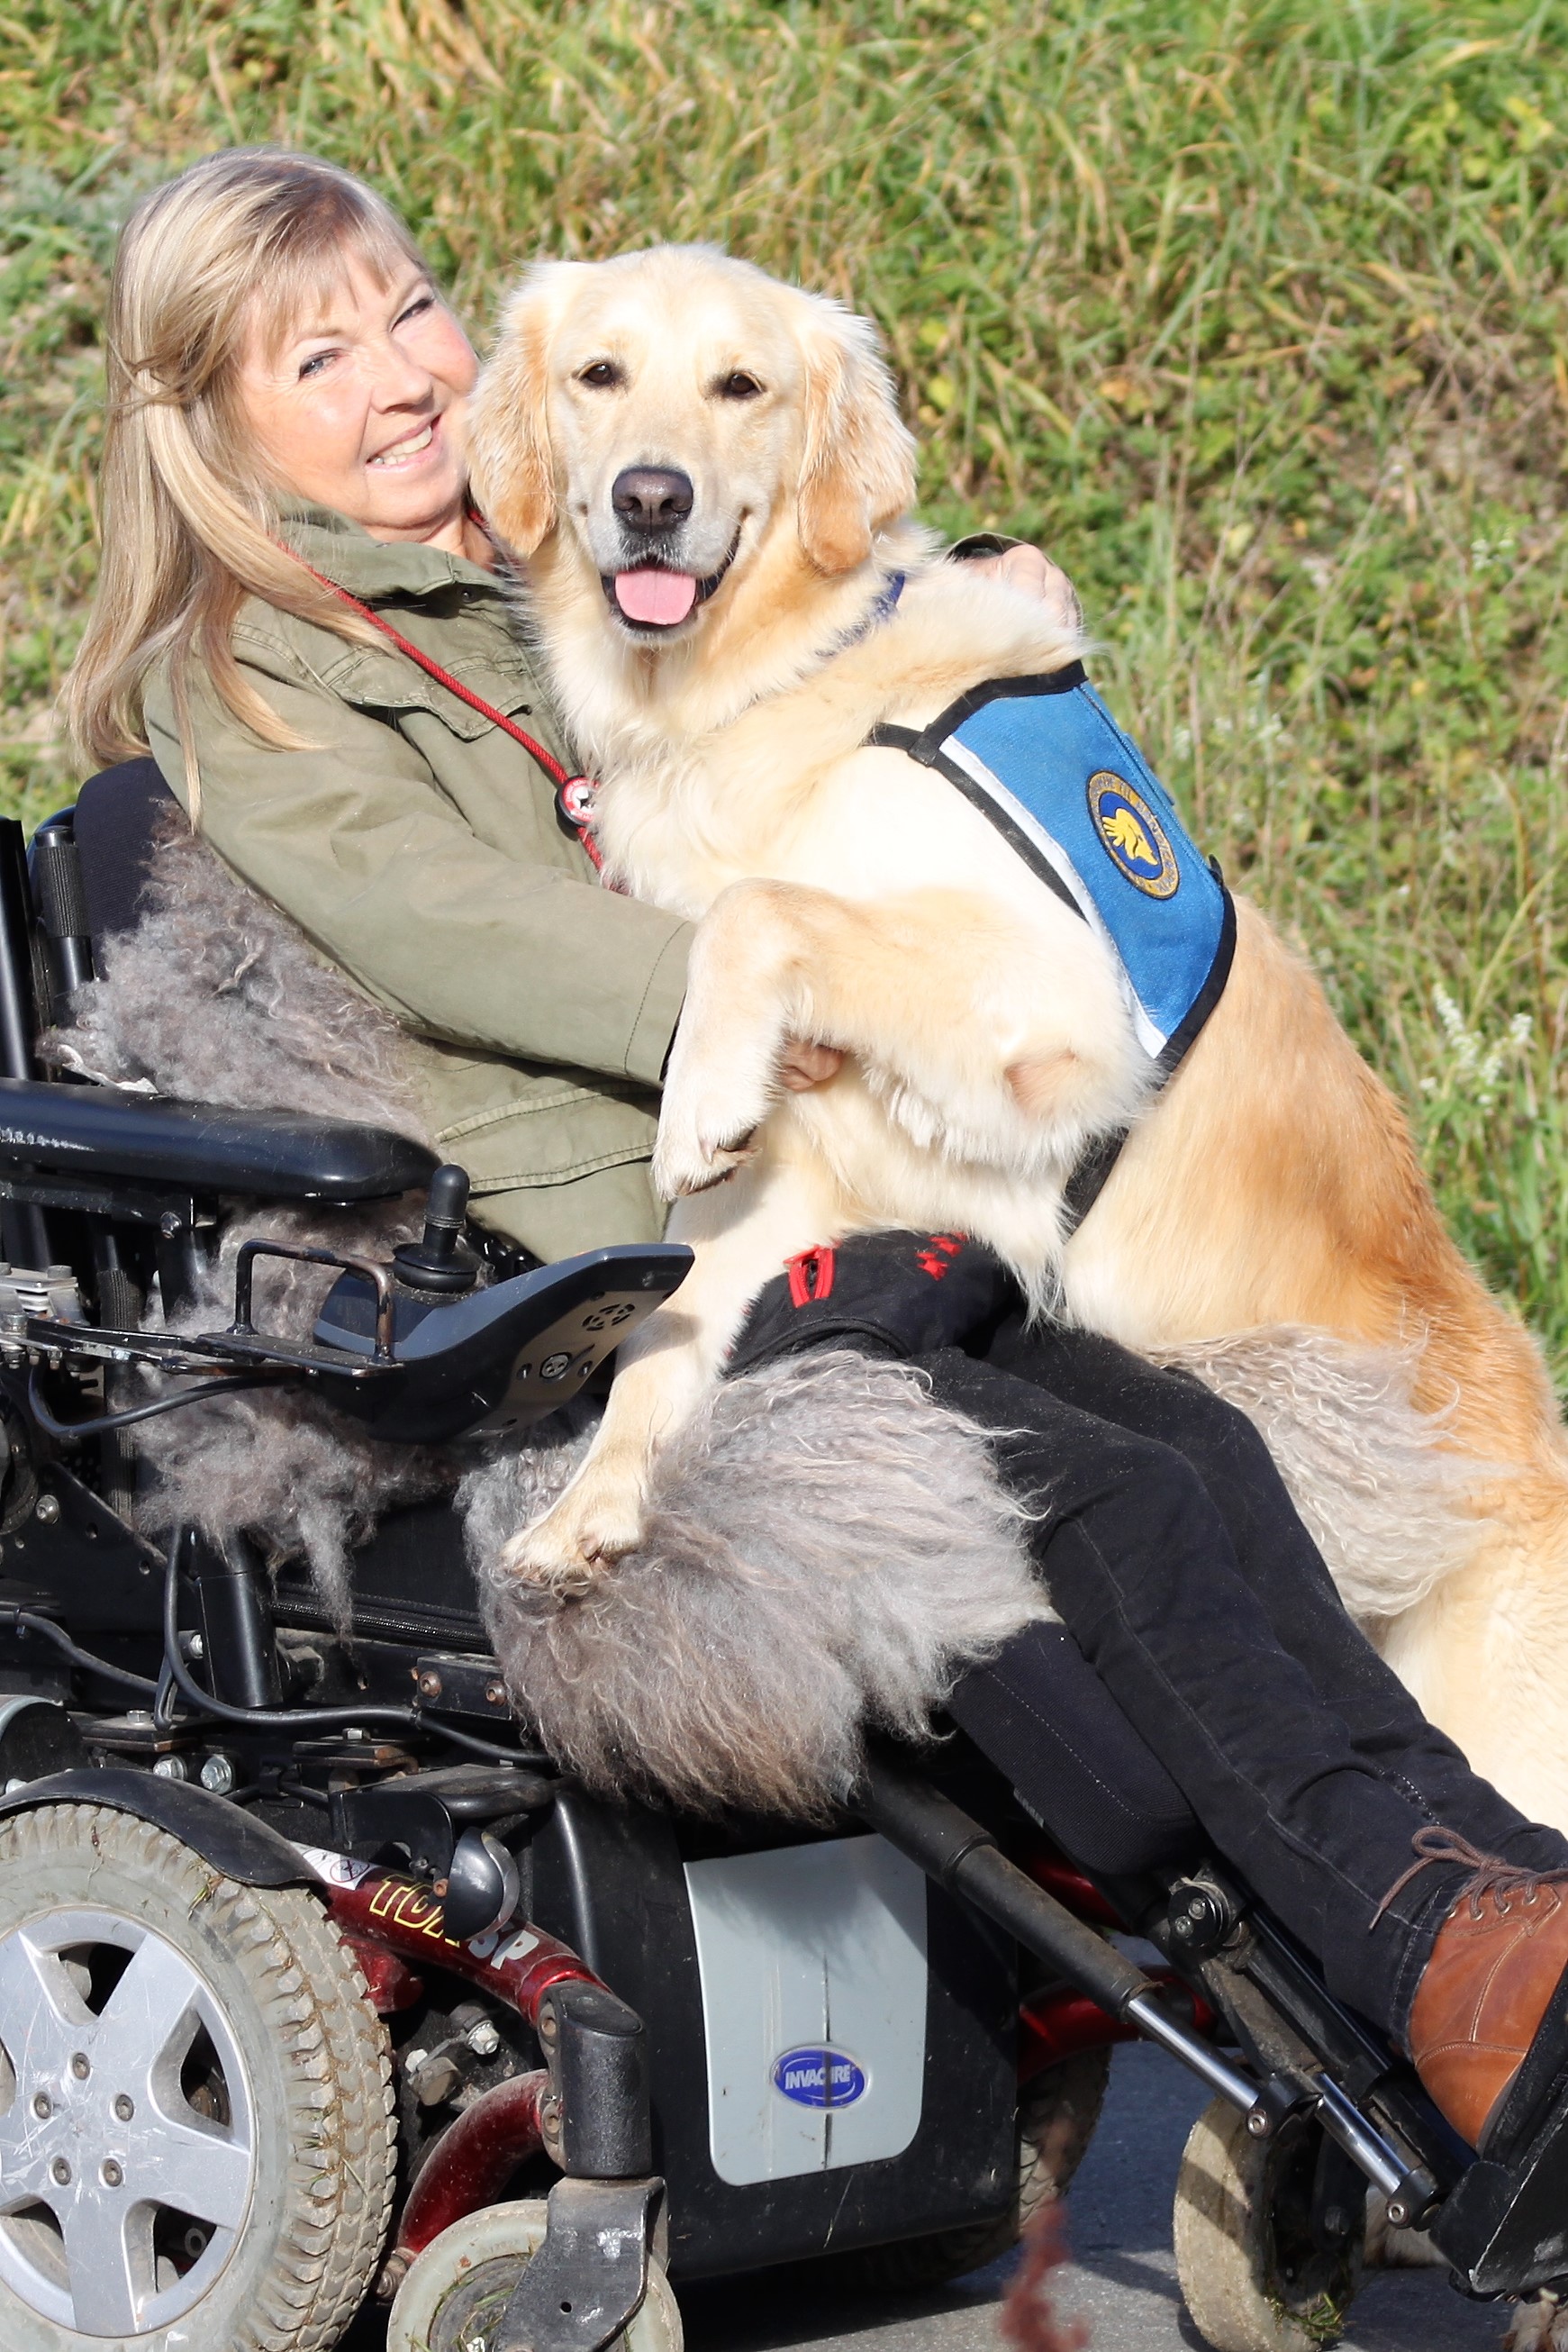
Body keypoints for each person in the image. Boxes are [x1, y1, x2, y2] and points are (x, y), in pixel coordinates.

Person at [60, 145, 1568, 2171]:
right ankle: (1417, 1967)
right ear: (218, 426)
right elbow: (474, 928)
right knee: (1093, 1497)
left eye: (406, 306)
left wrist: (973, 605)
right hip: (574, 1272)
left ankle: (1483, 1910)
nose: (399, 376)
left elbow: (819, 663)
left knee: (1192, 1451)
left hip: (805, 1206)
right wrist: (807, 970)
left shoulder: (543, 582)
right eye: (313, 356)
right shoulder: (249, 684)